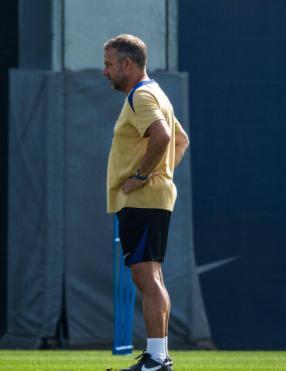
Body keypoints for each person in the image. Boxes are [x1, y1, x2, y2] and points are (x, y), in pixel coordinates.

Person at [103, 34, 190, 371]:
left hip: (142, 200)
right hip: (153, 198)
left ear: (127, 64)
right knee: (152, 276)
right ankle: (159, 355)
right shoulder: (156, 93)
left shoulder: (142, 96)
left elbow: (166, 138)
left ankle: (156, 359)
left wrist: (142, 176)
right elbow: (181, 140)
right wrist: (162, 173)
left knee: (146, 278)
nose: (105, 71)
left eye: (109, 64)